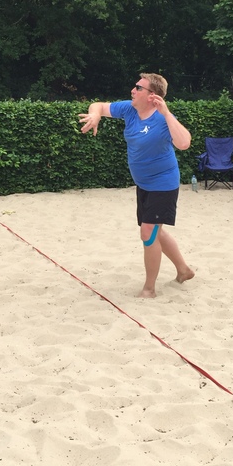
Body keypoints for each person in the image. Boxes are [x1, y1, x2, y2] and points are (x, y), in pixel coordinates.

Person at [79, 73, 195, 298]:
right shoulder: (129, 109)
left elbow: (184, 143)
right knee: (156, 230)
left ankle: (149, 289)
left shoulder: (163, 119)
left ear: (153, 96)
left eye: (139, 88)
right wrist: (95, 115)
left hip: (163, 184)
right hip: (143, 184)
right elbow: (99, 105)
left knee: (148, 232)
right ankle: (184, 270)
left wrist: (167, 113)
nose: (133, 90)